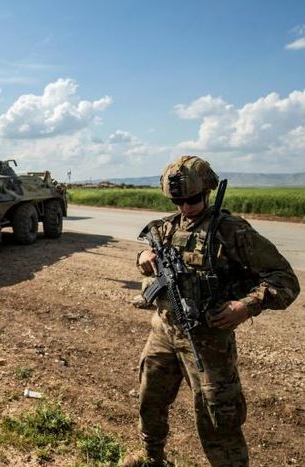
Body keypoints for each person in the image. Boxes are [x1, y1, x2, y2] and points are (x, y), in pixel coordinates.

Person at [121, 156, 300, 467]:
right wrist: (143, 256)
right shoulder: (164, 229)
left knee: (218, 418)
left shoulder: (231, 231)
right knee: (150, 400)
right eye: (178, 201)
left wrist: (246, 306)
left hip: (208, 342)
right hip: (163, 332)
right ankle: (152, 457)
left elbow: (284, 280)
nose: (186, 208)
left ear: (207, 192)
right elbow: (148, 263)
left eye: (192, 200)